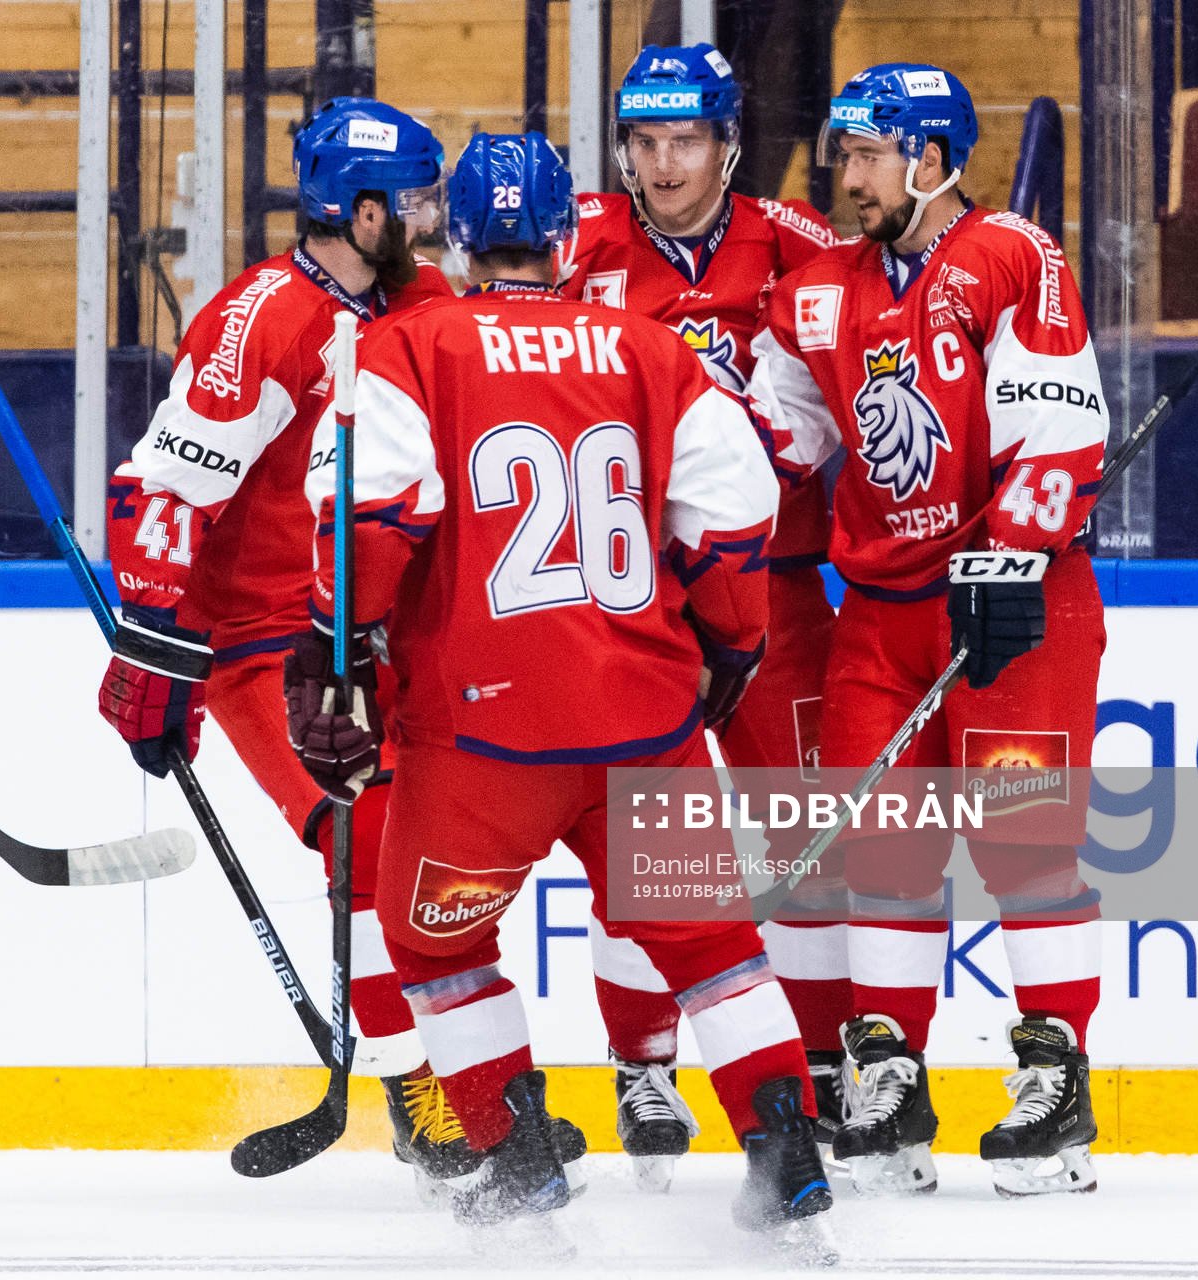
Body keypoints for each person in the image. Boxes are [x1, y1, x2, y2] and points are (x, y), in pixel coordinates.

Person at [293, 131, 834, 1259]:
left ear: (455, 235)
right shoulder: (648, 348)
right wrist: (731, 638)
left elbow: (372, 511)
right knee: (715, 944)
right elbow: (736, 508)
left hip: (483, 731)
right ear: (563, 236)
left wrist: (336, 647)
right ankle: (785, 1151)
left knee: (433, 942)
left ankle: (518, 1151)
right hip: (646, 717)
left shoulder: (408, 345)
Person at [95, 97, 476, 1199]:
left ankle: (472, 1074)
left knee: (449, 848)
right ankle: (419, 1094)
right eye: (412, 201)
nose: (431, 217)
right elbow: (161, 490)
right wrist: (158, 647)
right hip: (269, 645)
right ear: (358, 213)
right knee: (363, 840)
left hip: (385, 630)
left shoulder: (426, 298)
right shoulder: (260, 319)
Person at [750, 63, 1108, 1198]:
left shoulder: (1012, 255)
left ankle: (1055, 1079)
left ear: (932, 158)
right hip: (884, 614)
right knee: (884, 853)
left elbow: (1060, 424)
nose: (842, 177)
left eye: (864, 155)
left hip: (1019, 604)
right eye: (841, 154)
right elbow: (773, 445)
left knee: (1026, 843)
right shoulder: (813, 294)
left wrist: (1009, 554)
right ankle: (891, 1076)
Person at [558, 41, 846, 1184]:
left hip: (777, 589)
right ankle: (643, 1063)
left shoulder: (805, 246)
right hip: (632, 601)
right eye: (644, 141)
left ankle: (821, 1060)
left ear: (728, 142)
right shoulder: (578, 242)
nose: (664, 164)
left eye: (686, 141)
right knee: (655, 844)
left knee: (804, 841)